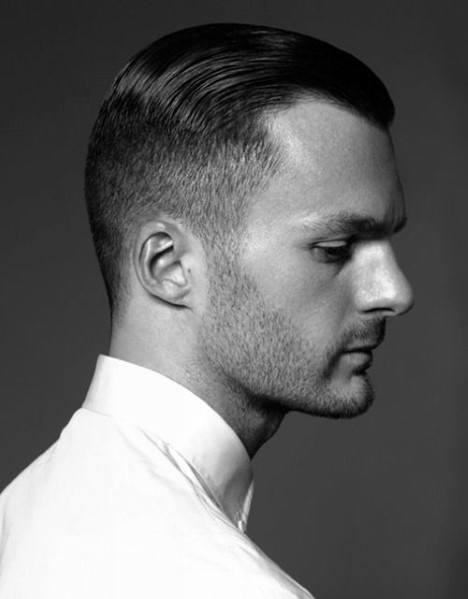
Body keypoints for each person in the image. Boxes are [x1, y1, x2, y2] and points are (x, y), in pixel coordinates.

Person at [0, 22, 413, 598]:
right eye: (336, 248)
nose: (395, 291)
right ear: (169, 266)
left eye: (388, 242)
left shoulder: (18, 517)